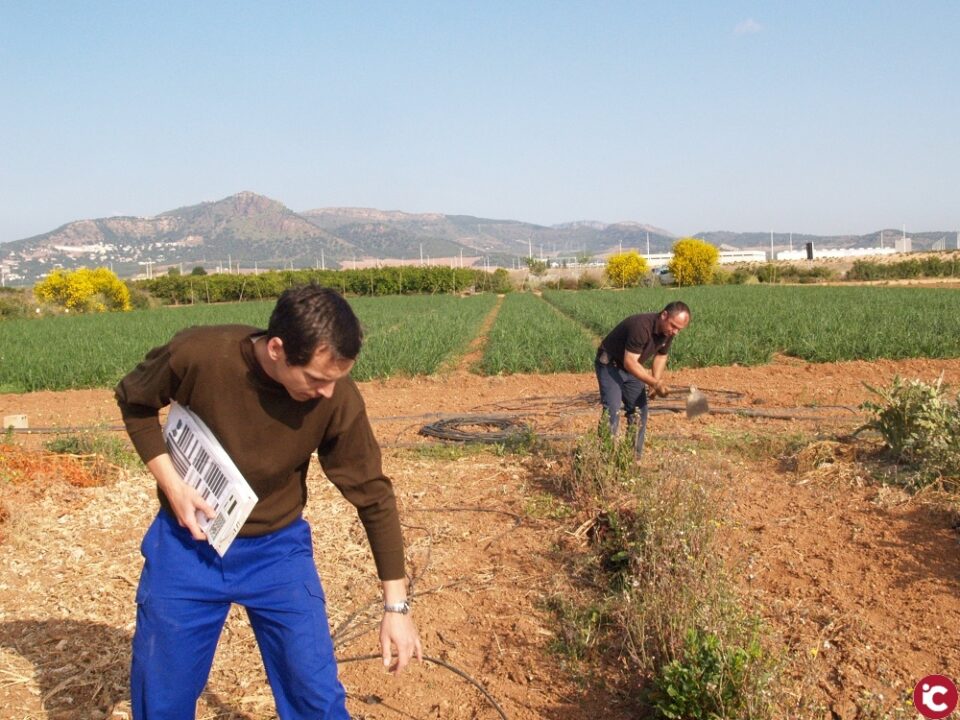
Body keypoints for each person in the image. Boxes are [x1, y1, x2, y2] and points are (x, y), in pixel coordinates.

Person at [115, 284, 422, 719]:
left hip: (277, 553)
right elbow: (134, 401)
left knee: (315, 698)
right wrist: (172, 483)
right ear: (277, 348)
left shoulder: (336, 398)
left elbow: (373, 494)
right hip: (186, 548)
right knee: (161, 700)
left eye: (336, 379)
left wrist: (396, 607)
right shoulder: (200, 354)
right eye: (316, 379)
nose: (327, 392)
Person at [594, 300, 691, 458]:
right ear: (664, 315)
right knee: (612, 410)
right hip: (610, 364)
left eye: (679, 329)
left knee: (640, 411)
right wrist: (654, 383)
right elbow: (629, 362)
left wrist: (655, 381)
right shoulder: (641, 326)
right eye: (673, 326)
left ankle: (632, 457)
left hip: (631, 367)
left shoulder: (668, 332)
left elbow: (661, 356)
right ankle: (606, 458)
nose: (675, 332)